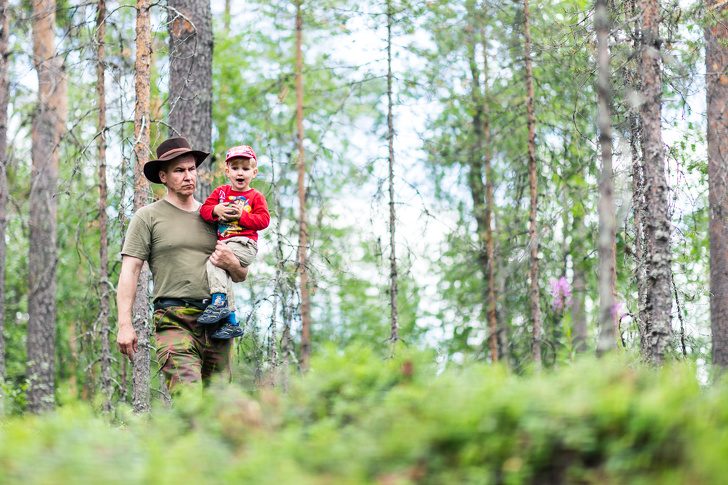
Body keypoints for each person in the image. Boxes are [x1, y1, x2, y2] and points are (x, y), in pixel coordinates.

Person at [116, 137, 248, 390]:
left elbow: (241, 274)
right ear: (163, 177)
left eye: (191, 169)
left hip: (217, 320)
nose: (188, 176)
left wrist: (232, 263)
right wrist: (125, 324)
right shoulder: (148, 217)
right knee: (187, 399)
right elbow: (130, 271)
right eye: (179, 171)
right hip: (174, 318)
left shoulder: (214, 216)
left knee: (218, 408)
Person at [197, 145, 270, 338]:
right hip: (227, 244)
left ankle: (219, 301)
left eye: (246, 169)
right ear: (227, 171)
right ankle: (232, 321)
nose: (240, 172)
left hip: (244, 244)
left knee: (214, 262)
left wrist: (242, 217)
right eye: (235, 168)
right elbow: (204, 210)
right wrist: (216, 211)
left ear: (254, 172)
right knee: (222, 272)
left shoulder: (255, 197)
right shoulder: (221, 193)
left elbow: (263, 220)